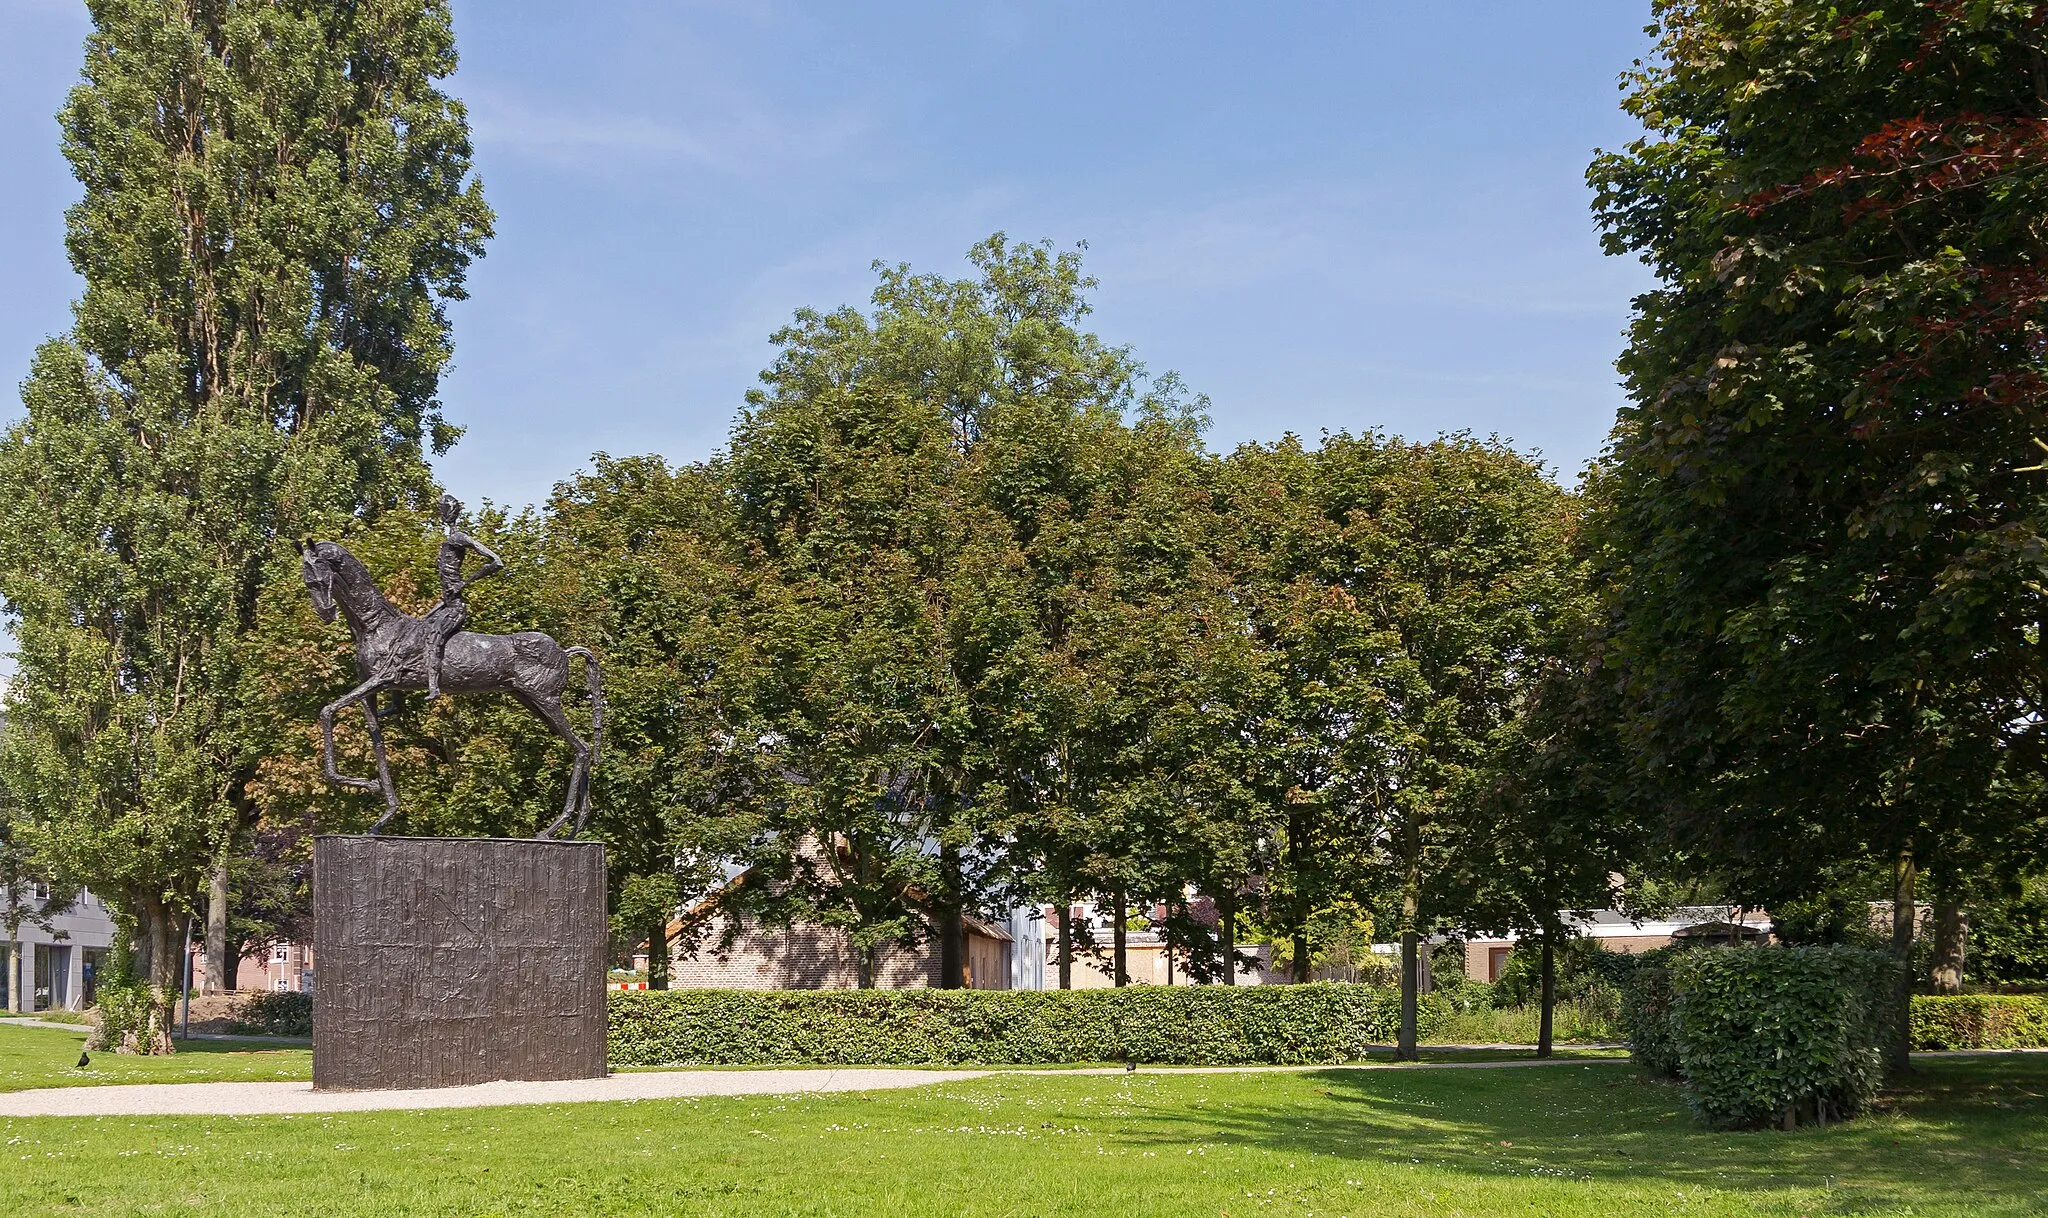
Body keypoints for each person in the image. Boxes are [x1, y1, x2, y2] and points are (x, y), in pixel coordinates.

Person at [424, 493, 504, 700]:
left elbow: (496, 561)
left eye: (444, 510)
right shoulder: (448, 540)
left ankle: (433, 687)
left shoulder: (459, 537)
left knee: (433, 639)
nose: (442, 514)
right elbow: (447, 589)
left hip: (456, 608)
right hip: (446, 604)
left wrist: (464, 584)